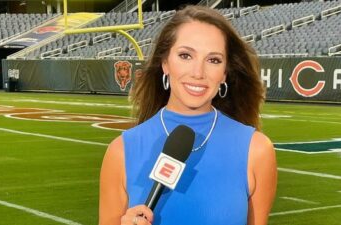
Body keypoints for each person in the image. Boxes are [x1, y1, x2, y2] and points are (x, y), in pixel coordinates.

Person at [99, 5, 277, 225]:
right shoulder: (121, 151)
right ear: (165, 63)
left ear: (224, 73)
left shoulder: (257, 150)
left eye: (213, 60)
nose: (198, 73)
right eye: (185, 55)